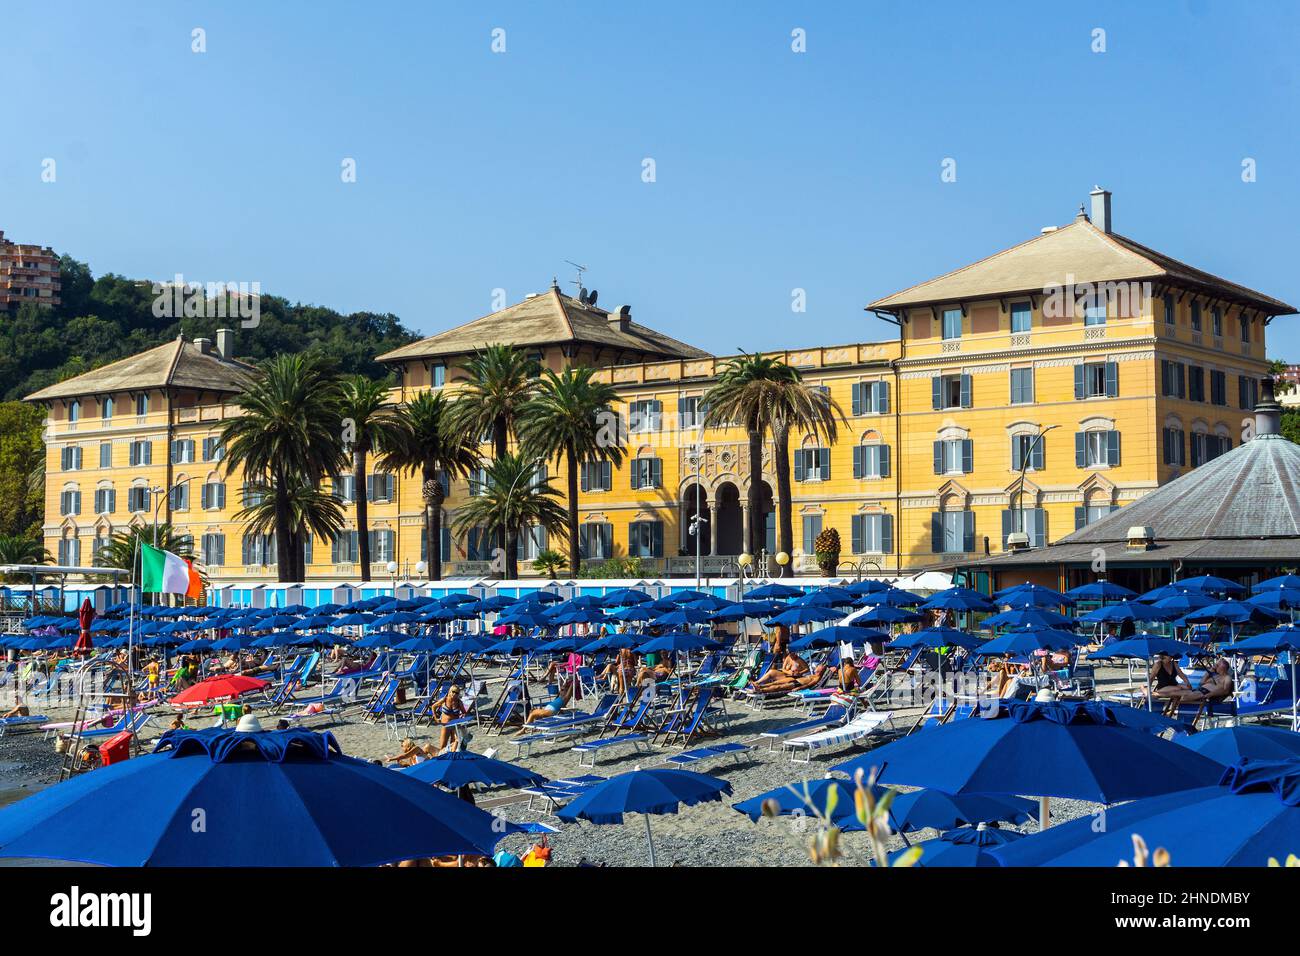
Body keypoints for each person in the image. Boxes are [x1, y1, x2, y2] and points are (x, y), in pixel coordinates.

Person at [433, 685, 470, 753]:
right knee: (442, 746)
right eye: (453, 692)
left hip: (455, 726)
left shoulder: (459, 702)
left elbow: (464, 712)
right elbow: (433, 706)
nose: (454, 694)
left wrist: (463, 715)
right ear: (450, 691)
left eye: (457, 693)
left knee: (453, 746)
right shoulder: (444, 699)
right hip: (446, 725)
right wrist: (435, 718)